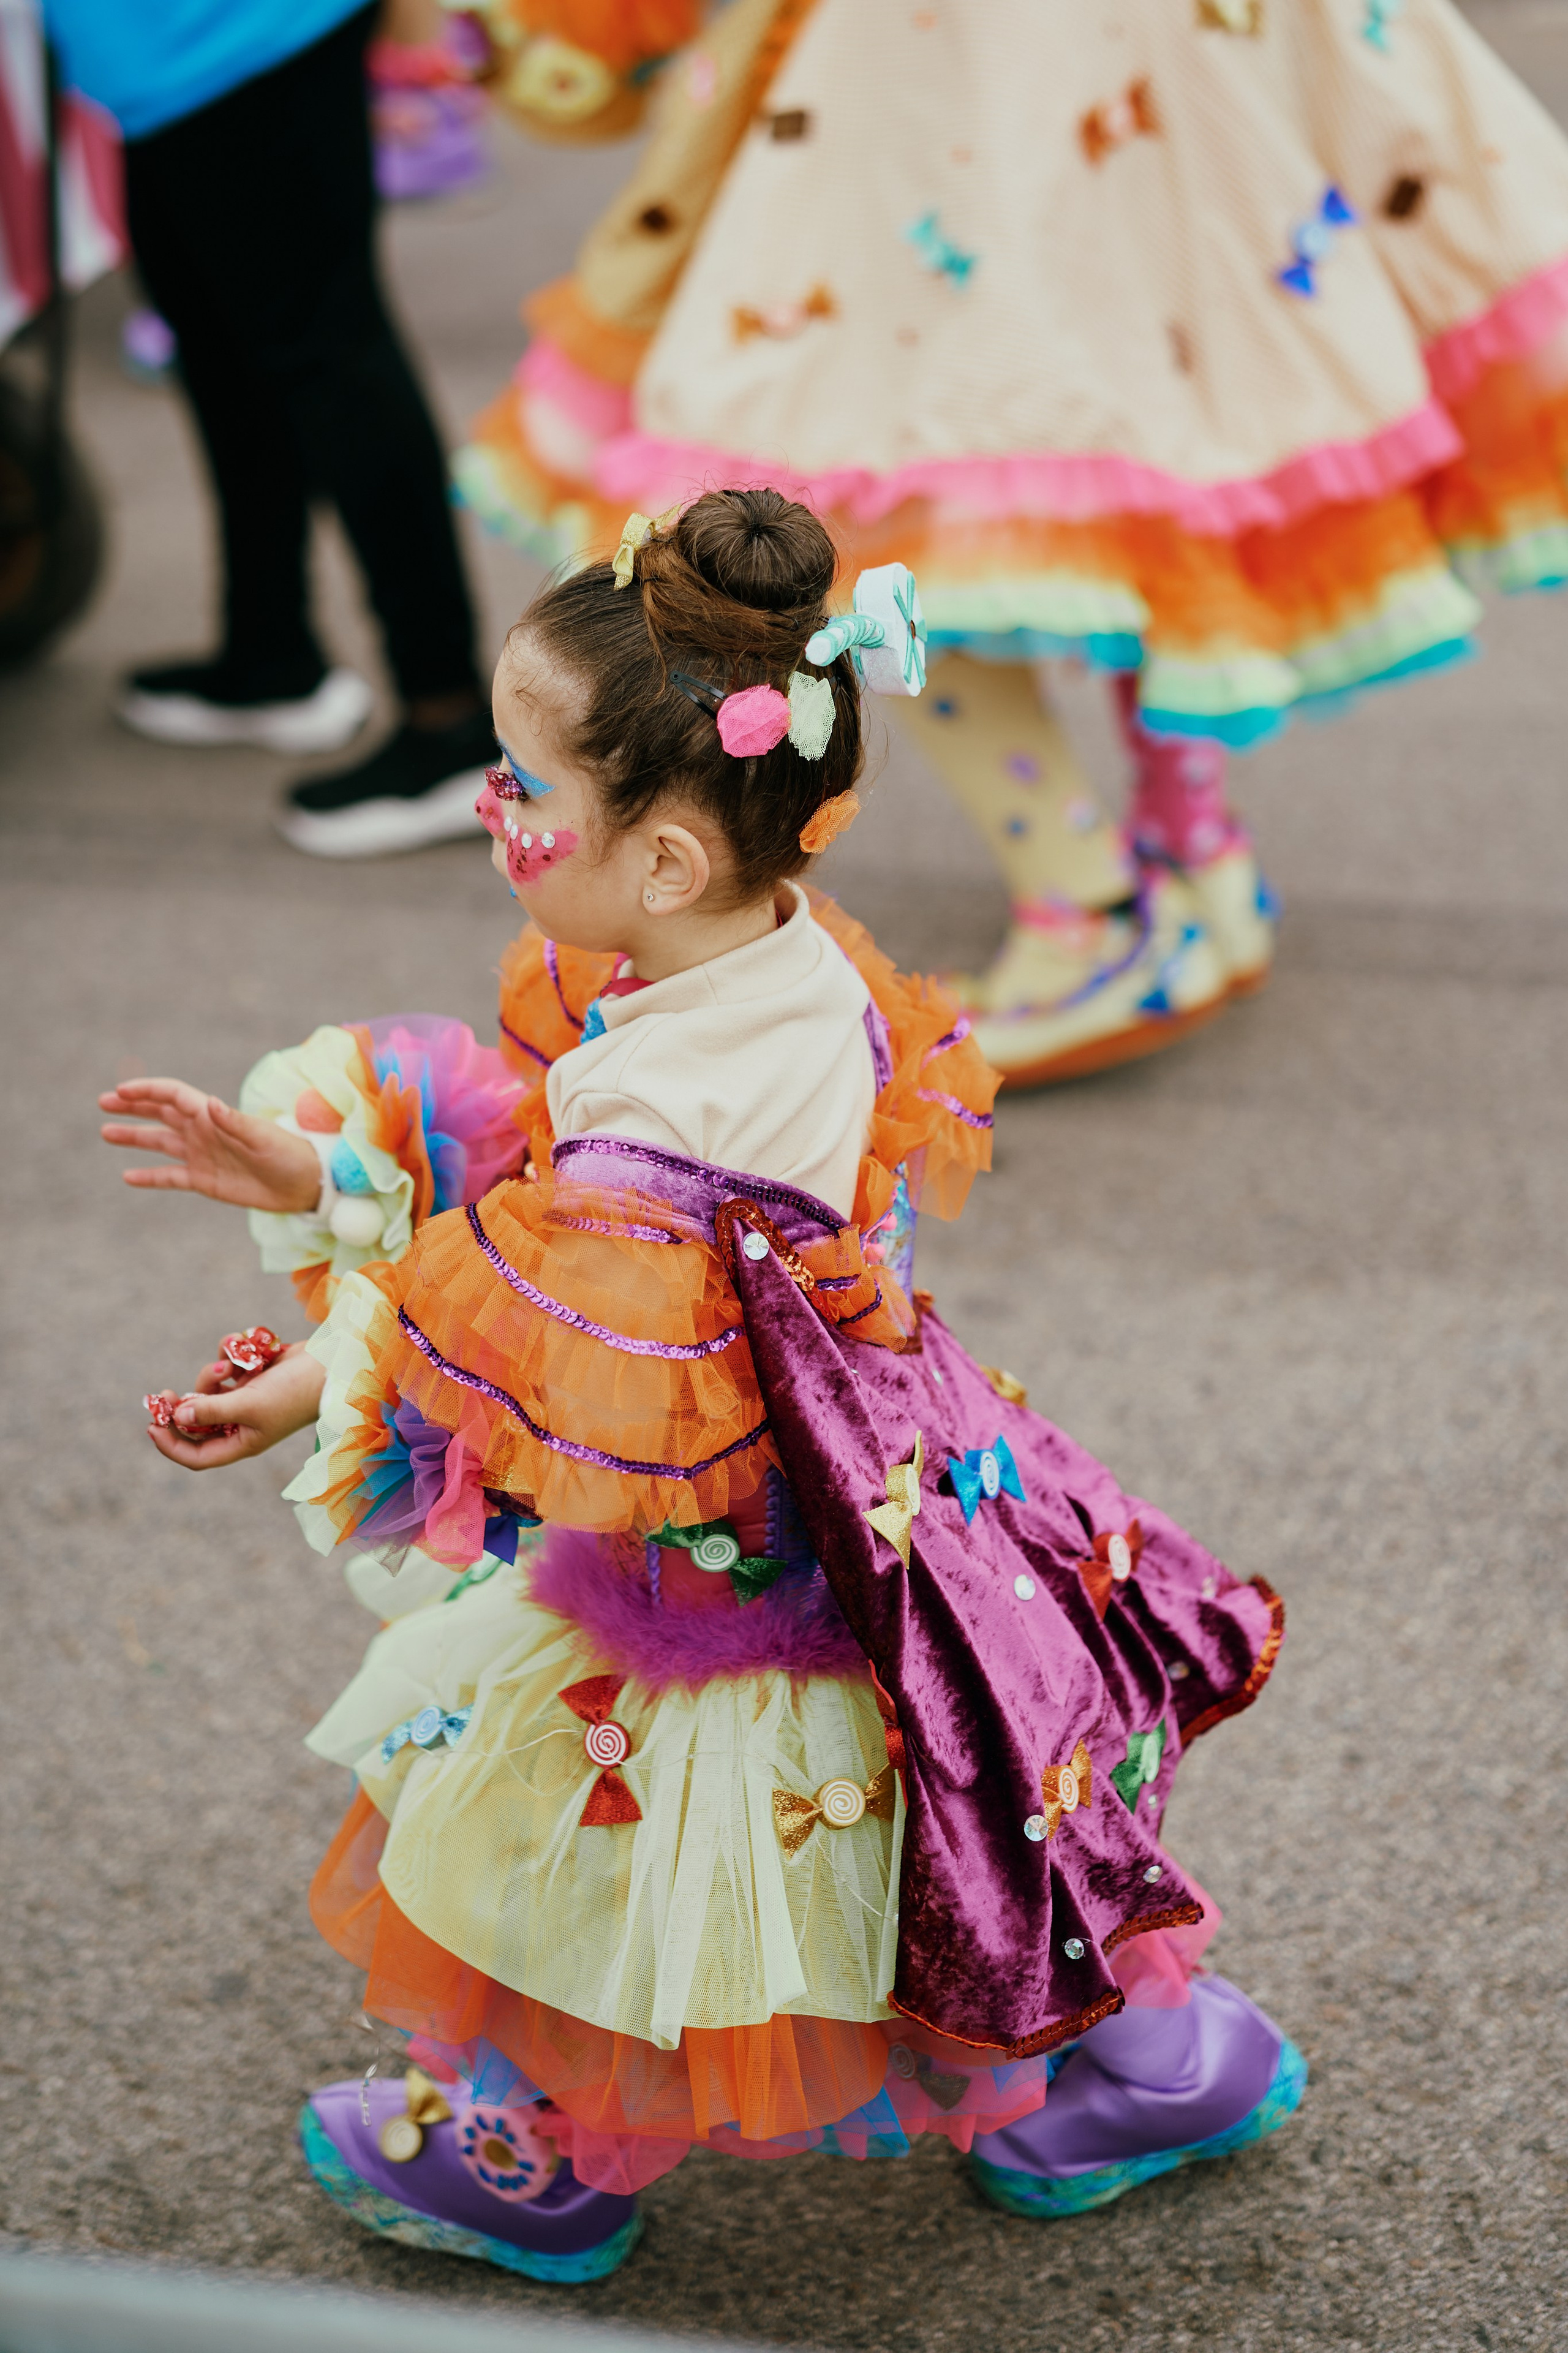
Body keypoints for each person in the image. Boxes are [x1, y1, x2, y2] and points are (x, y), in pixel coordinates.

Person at [108, 490, 1299, 2276]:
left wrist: (289, 1395)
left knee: (588, 1835)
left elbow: (517, 1345)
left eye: (523, 781)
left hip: (734, 1547)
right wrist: (332, 1178)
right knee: (969, 1782)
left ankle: (534, 2144)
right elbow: (532, 1228)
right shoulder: (782, 956)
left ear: (663, 859)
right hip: (899, 1484)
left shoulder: (660, 1116)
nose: (494, 806)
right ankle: (1142, 2057)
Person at [452, 0, 1568, 1083]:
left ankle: (1090, 907)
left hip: (961, 80)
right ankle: (1190, 854)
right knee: (1154, 420)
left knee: (870, 497)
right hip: (1142, 59)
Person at [42, 0, 496, 852]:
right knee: (222, 345)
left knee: (329, 352)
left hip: (239, 34)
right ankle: (270, 653)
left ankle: (451, 721)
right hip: (155, 59)